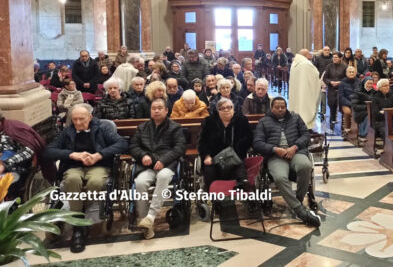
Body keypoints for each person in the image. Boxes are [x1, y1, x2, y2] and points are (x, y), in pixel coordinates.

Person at [43, 104, 127, 253]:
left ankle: (78, 213)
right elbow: (49, 151)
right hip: (74, 167)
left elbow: (122, 143)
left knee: (96, 182)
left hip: (98, 165)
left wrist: (98, 155)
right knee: (71, 181)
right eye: (74, 119)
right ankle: (79, 226)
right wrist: (72, 154)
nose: (78, 122)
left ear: (90, 117)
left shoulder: (102, 128)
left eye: (81, 119)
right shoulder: (67, 131)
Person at [252, 97, 320, 227]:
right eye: (277, 107)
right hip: (275, 156)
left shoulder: (295, 118)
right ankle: (299, 210)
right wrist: (274, 149)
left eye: (283, 107)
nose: (280, 110)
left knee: (305, 166)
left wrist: (295, 147)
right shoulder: (264, 122)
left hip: (295, 152)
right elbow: (257, 143)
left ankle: (298, 200)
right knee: (279, 177)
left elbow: (306, 135)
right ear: (271, 108)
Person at [130, 98, 186, 239]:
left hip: (167, 165)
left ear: (166, 110)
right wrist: (142, 155)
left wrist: (163, 160)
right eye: (154, 108)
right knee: (140, 183)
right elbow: (133, 146)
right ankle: (144, 221)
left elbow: (180, 148)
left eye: (160, 108)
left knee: (163, 177)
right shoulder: (142, 127)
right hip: (147, 166)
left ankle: (151, 216)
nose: (156, 110)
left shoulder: (175, 127)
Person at [198, 98, 253, 192]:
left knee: (241, 174)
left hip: (235, 156)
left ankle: (244, 190)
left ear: (233, 108)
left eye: (229, 107)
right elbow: (202, 142)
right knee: (210, 174)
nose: (226, 110)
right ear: (217, 110)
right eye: (222, 108)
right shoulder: (209, 121)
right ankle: (215, 200)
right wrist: (206, 156)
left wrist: (238, 153)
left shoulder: (242, 120)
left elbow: (248, 139)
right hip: (214, 158)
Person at [289, 49, 322, 129]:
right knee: (305, 109)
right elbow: (316, 74)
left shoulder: (295, 63)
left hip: (297, 90)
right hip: (305, 91)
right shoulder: (306, 64)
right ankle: (305, 126)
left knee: (297, 106)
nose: (311, 55)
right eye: (309, 54)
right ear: (305, 54)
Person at [338, 66, 359, 132]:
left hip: (356, 102)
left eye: (353, 72)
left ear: (355, 73)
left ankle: (359, 130)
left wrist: (356, 102)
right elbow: (341, 97)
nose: (351, 73)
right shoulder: (342, 83)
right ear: (346, 73)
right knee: (347, 112)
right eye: (350, 72)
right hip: (346, 104)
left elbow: (360, 94)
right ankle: (347, 129)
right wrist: (350, 104)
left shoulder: (358, 81)